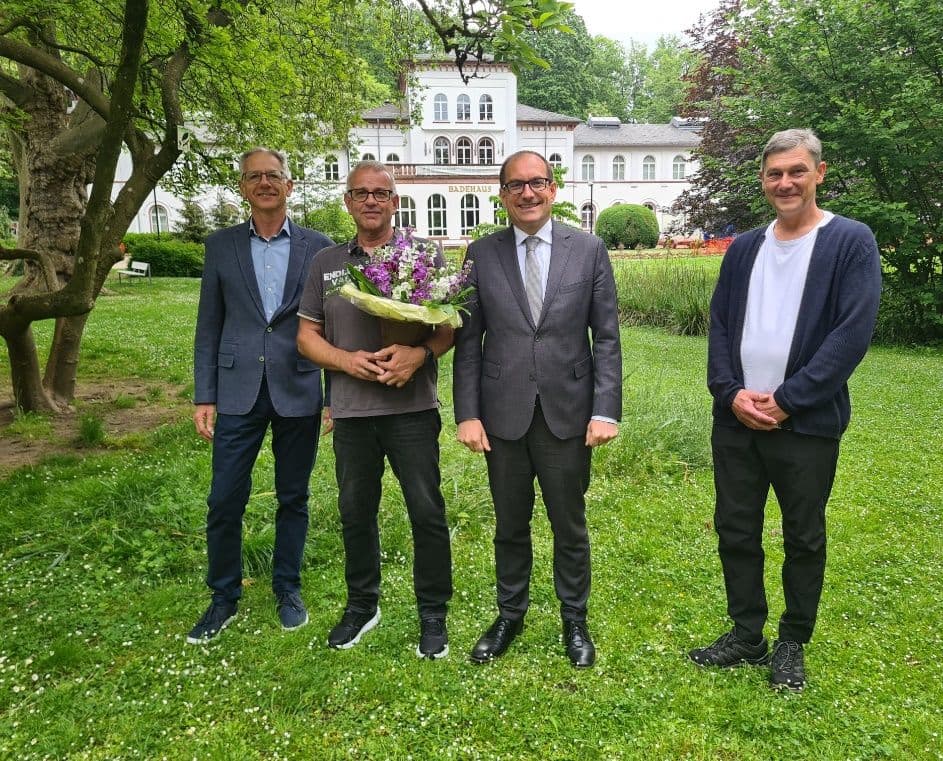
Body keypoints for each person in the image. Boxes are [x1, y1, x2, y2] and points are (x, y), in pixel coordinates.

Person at [689, 128, 881, 691]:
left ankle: (792, 641)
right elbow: (720, 326)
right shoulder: (747, 247)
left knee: (803, 535)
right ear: (764, 181)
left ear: (819, 173)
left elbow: (851, 335)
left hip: (805, 425)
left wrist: (790, 400)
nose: (785, 182)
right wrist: (730, 394)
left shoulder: (850, 242)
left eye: (797, 171)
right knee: (737, 529)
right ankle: (747, 634)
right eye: (775, 174)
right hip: (738, 420)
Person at [453, 151, 622, 668]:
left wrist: (605, 410)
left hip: (568, 413)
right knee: (510, 523)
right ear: (502, 194)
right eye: (516, 186)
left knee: (569, 523)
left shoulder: (589, 249)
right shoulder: (480, 254)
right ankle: (510, 613)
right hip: (502, 414)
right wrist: (467, 413)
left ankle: (575, 618)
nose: (528, 193)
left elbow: (607, 338)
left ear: (553, 188)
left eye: (538, 183)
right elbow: (468, 341)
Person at [296, 160, 454, 659]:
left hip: (411, 408)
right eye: (360, 192)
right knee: (354, 512)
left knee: (426, 511)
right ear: (347, 201)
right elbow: (306, 337)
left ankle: (433, 612)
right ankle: (363, 605)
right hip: (352, 411)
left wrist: (420, 353)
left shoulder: (424, 253)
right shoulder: (325, 263)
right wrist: (345, 361)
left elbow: (450, 325)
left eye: (380, 193)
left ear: (394, 201)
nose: (370, 200)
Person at [189, 147, 334, 644]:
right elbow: (208, 326)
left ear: (290, 186)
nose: (265, 183)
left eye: (274, 175)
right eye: (254, 176)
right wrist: (203, 394)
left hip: (298, 385)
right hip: (236, 391)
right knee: (224, 498)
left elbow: (334, 326)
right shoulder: (220, 246)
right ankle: (223, 595)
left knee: (294, 496)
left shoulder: (320, 247)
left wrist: (333, 393)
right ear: (243, 187)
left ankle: (287, 587)